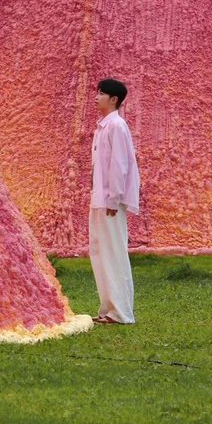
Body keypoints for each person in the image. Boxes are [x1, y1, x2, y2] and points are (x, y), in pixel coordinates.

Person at [89, 77, 140, 325]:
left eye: (101, 93)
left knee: (114, 254)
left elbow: (120, 165)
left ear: (114, 99)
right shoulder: (104, 127)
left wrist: (114, 199)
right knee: (100, 253)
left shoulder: (117, 126)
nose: (96, 97)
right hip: (100, 199)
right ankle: (109, 309)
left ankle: (121, 312)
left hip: (110, 201)